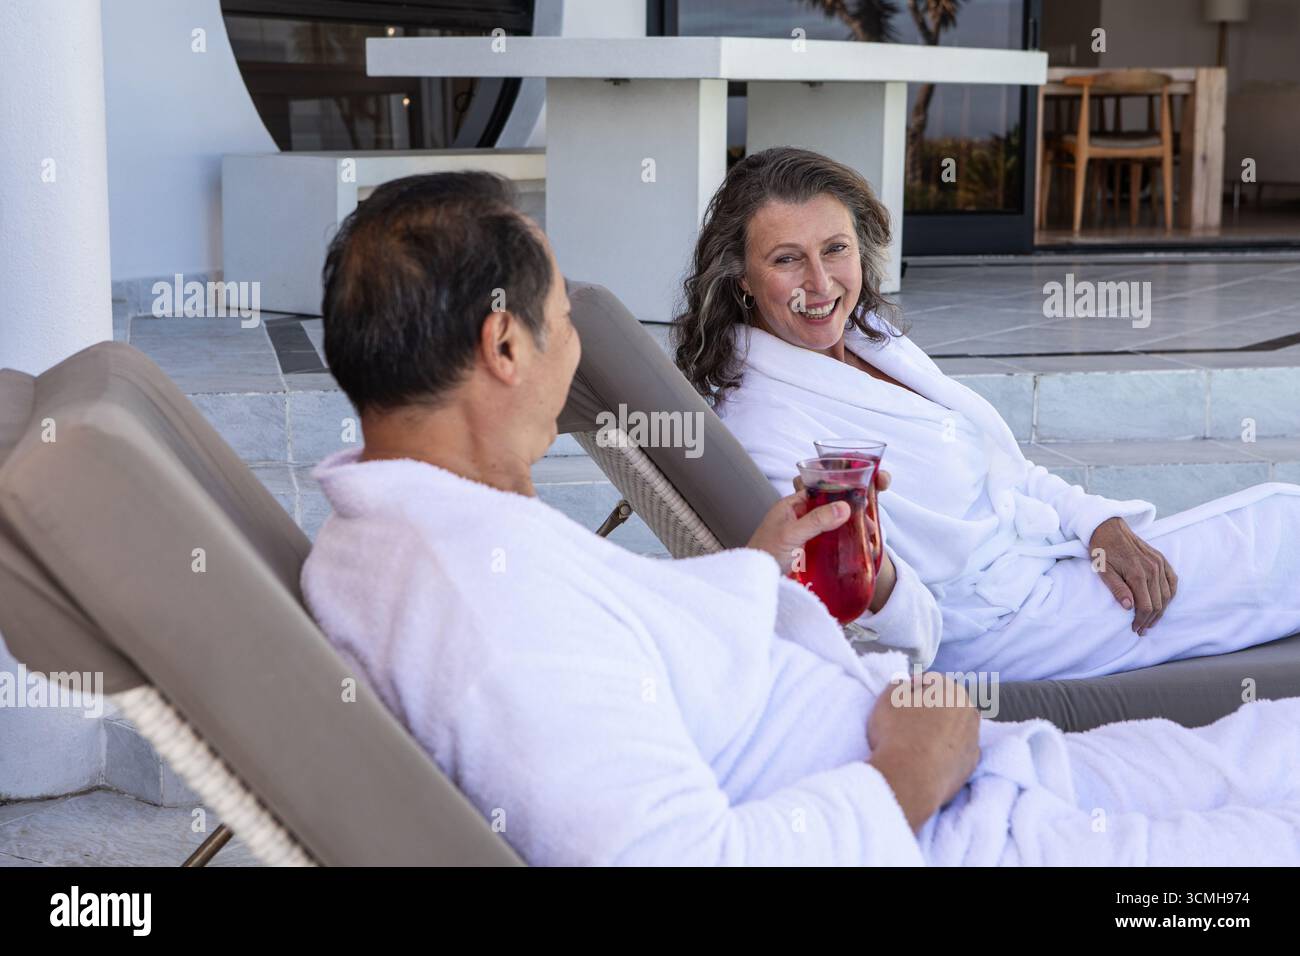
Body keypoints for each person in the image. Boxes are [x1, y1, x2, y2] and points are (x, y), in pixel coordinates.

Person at [301, 170, 1300, 866]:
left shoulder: (426, 531)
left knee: (1272, 741)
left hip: (988, 777)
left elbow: (650, 655)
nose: (577, 349)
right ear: (504, 346)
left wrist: (758, 564)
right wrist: (908, 772)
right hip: (962, 832)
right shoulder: (484, 609)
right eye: (563, 318)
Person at [675, 146, 1300, 680]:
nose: (820, 282)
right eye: (787, 259)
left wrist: (1098, 523)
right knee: (1282, 533)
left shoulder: (872, 341)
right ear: (742, 278)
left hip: (1050, 562)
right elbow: (889, 626)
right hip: (1005, 626)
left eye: (835, 249)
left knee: (1282, 516)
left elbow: (1005, 472)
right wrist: (873, 568)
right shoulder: (765, 426)